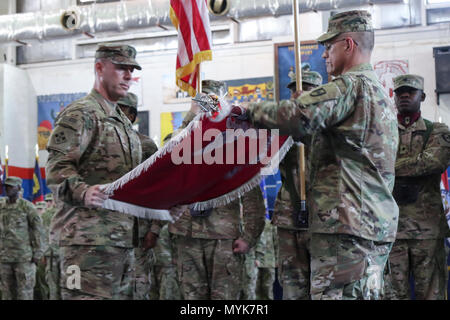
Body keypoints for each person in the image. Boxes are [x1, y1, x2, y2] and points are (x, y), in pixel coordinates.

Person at [240, 10, 399, 300]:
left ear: (348, 45)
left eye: (330, 46)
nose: (325, 55)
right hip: (371, 225)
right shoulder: (380, 94)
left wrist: (245, 111)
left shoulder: (349, 87)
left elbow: (297, 115)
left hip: (346, 227)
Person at [46, 43, 145, 300]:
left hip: (120, 241)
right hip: (84, 243)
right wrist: (83, 191)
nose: (128, 76)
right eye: (121, 68)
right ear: (99, 68)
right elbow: (57, 167)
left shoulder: (123, 123)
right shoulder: (82, 113)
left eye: (131, 70)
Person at [152, 80, 266, 300]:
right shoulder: (180, 138)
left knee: (225, 297)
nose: (208, 108)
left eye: (213, 102)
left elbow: (251, 194)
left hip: (223, 237)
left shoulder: (238, 142)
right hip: (186, 235)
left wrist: (250, 236)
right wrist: (190, 118)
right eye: (203, 102)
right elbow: (166, 180)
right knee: (191, 298)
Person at [383, 74, 450, 300]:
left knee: (432, 294)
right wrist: (414, 164)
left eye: (410, 92)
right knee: (391, 295)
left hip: (427, 231)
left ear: (422, 96)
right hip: (391, 231)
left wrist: (389, 167)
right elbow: (371, 165)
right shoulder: (381, 133)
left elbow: (434, 162)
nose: (404, 96)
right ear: (393, 96)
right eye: (400, 92)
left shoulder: (438, 131)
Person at [275, 68, 322, 300]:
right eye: (295, 91)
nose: (299, 94)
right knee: (292, 287)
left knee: (324, 285)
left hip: (322, 217)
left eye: (308, 91)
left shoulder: (330, 125)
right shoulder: (281, 128)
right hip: (288, 216)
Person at [0, 176, 45, 300]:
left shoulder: (27, 207)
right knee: (6, 292)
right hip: (4, 257)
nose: (8, 189)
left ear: (19, 188)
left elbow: (38, 229)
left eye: (11, 186)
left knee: (24, 292)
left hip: (24, 257)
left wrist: (38, 252)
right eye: (6, 186)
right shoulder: (1, 206)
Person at [41, 193, 61, 300]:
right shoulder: (74, 212)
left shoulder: (46, 215)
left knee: (55, 287)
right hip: (55, 255)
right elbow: (43, 235)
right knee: (70, 287)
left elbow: (43, 236)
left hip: (55, 255)